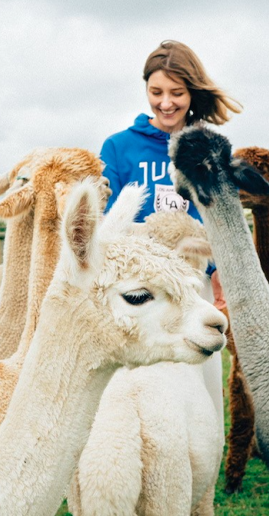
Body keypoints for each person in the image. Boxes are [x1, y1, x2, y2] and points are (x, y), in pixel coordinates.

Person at [100, 40, 242, 312]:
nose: (165, 103)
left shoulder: (209, 148)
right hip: (137, 288)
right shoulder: (117, 148)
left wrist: (218, 267)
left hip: (195, 283)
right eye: (156, 92)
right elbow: (107, 223)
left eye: (176, 93)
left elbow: (220, 218)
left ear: (191, 93)